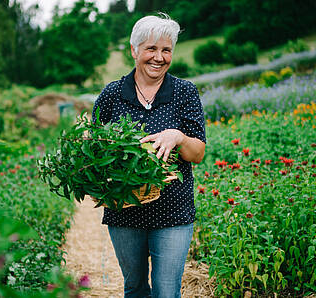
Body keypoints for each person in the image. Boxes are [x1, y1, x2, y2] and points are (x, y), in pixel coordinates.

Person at [91, 13, 206, 298]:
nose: (159, 57)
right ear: (134, 51)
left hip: (173, 210)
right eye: (151, 49)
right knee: (136, 289)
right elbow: (93, 148)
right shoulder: (112, 95)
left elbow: (198, 153)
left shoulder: (184, 92)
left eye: (166, 50)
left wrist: (177, 137)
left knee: (166, 293)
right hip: (124, 209)